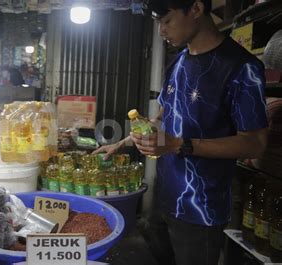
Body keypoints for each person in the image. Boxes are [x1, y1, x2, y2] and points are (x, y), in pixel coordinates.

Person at [93, 0, 268, 264]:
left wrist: (178, 145)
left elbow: (254, 144)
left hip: (201, 210)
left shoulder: (242, 68)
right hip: (164, 197)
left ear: (196, 9)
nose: (162, 31)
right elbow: (162, 119)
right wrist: (124, 142)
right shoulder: (178, 62)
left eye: (167, 21)